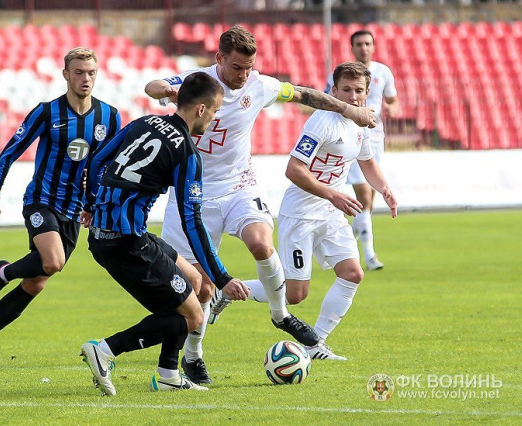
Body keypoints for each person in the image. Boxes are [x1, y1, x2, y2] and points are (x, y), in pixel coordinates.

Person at [144, 25, 376, 384]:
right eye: (237, 67)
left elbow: (304, 94)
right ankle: (193, 356)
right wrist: (167, 89)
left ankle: (280, 314)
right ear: (220, 58)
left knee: (261, 243)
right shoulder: (196, 81)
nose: (243, 75)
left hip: (240, 185)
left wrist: (349, 109)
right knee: (200, 287)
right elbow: (153, 86)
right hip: (192, 191)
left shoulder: (260, 85)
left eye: (249, 67)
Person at [78, 72, 250, 395]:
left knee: (195, 282)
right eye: (214, 112)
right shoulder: (187, 154)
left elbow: (98, 160)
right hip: (126, 243)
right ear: (201, 109)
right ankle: (105, 350)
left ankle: (168, 374)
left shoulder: (144, 122)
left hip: (111, 234)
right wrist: (223, 277)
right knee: (193, 317)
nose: (213, 120)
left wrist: (90, 204)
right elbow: (192, 221)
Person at [0, 47, 121, 362]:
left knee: (35, 283)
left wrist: (94, 205)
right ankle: (4, 272)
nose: (85, 78)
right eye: (78, 72)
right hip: (42, 200)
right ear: (66, 75)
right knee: (53, 261)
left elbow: (104, 167)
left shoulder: (109, 116)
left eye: (90, 72)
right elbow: (10, 152)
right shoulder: (47, 112)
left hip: (74, 209)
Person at [276, 61, 397, 359]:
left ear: (367, 93)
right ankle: (230, 289)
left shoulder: (361, 124)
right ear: (333, 91)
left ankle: (314, 344)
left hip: (330, 212)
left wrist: (384, 189)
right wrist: (332, 194)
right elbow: (293, 170)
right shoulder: (322, 122)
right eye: (346, 89)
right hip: (301, 212)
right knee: (296, 295)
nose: (353, 96)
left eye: (359, 90)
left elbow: (367, 163)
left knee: (353, 273)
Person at [325, 29, 399, 270]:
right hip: (349, 137)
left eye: (367, 43)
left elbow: (392, 100)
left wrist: (393, 108)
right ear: (352, 48)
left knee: (369, 200)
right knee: (364, 196)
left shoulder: (383, 72)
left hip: (375, 138)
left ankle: (345, 242)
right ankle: (369, 256)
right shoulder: (341, 75)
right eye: (359, 44)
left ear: (373, 47)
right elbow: (327, 101)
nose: (364, 48)